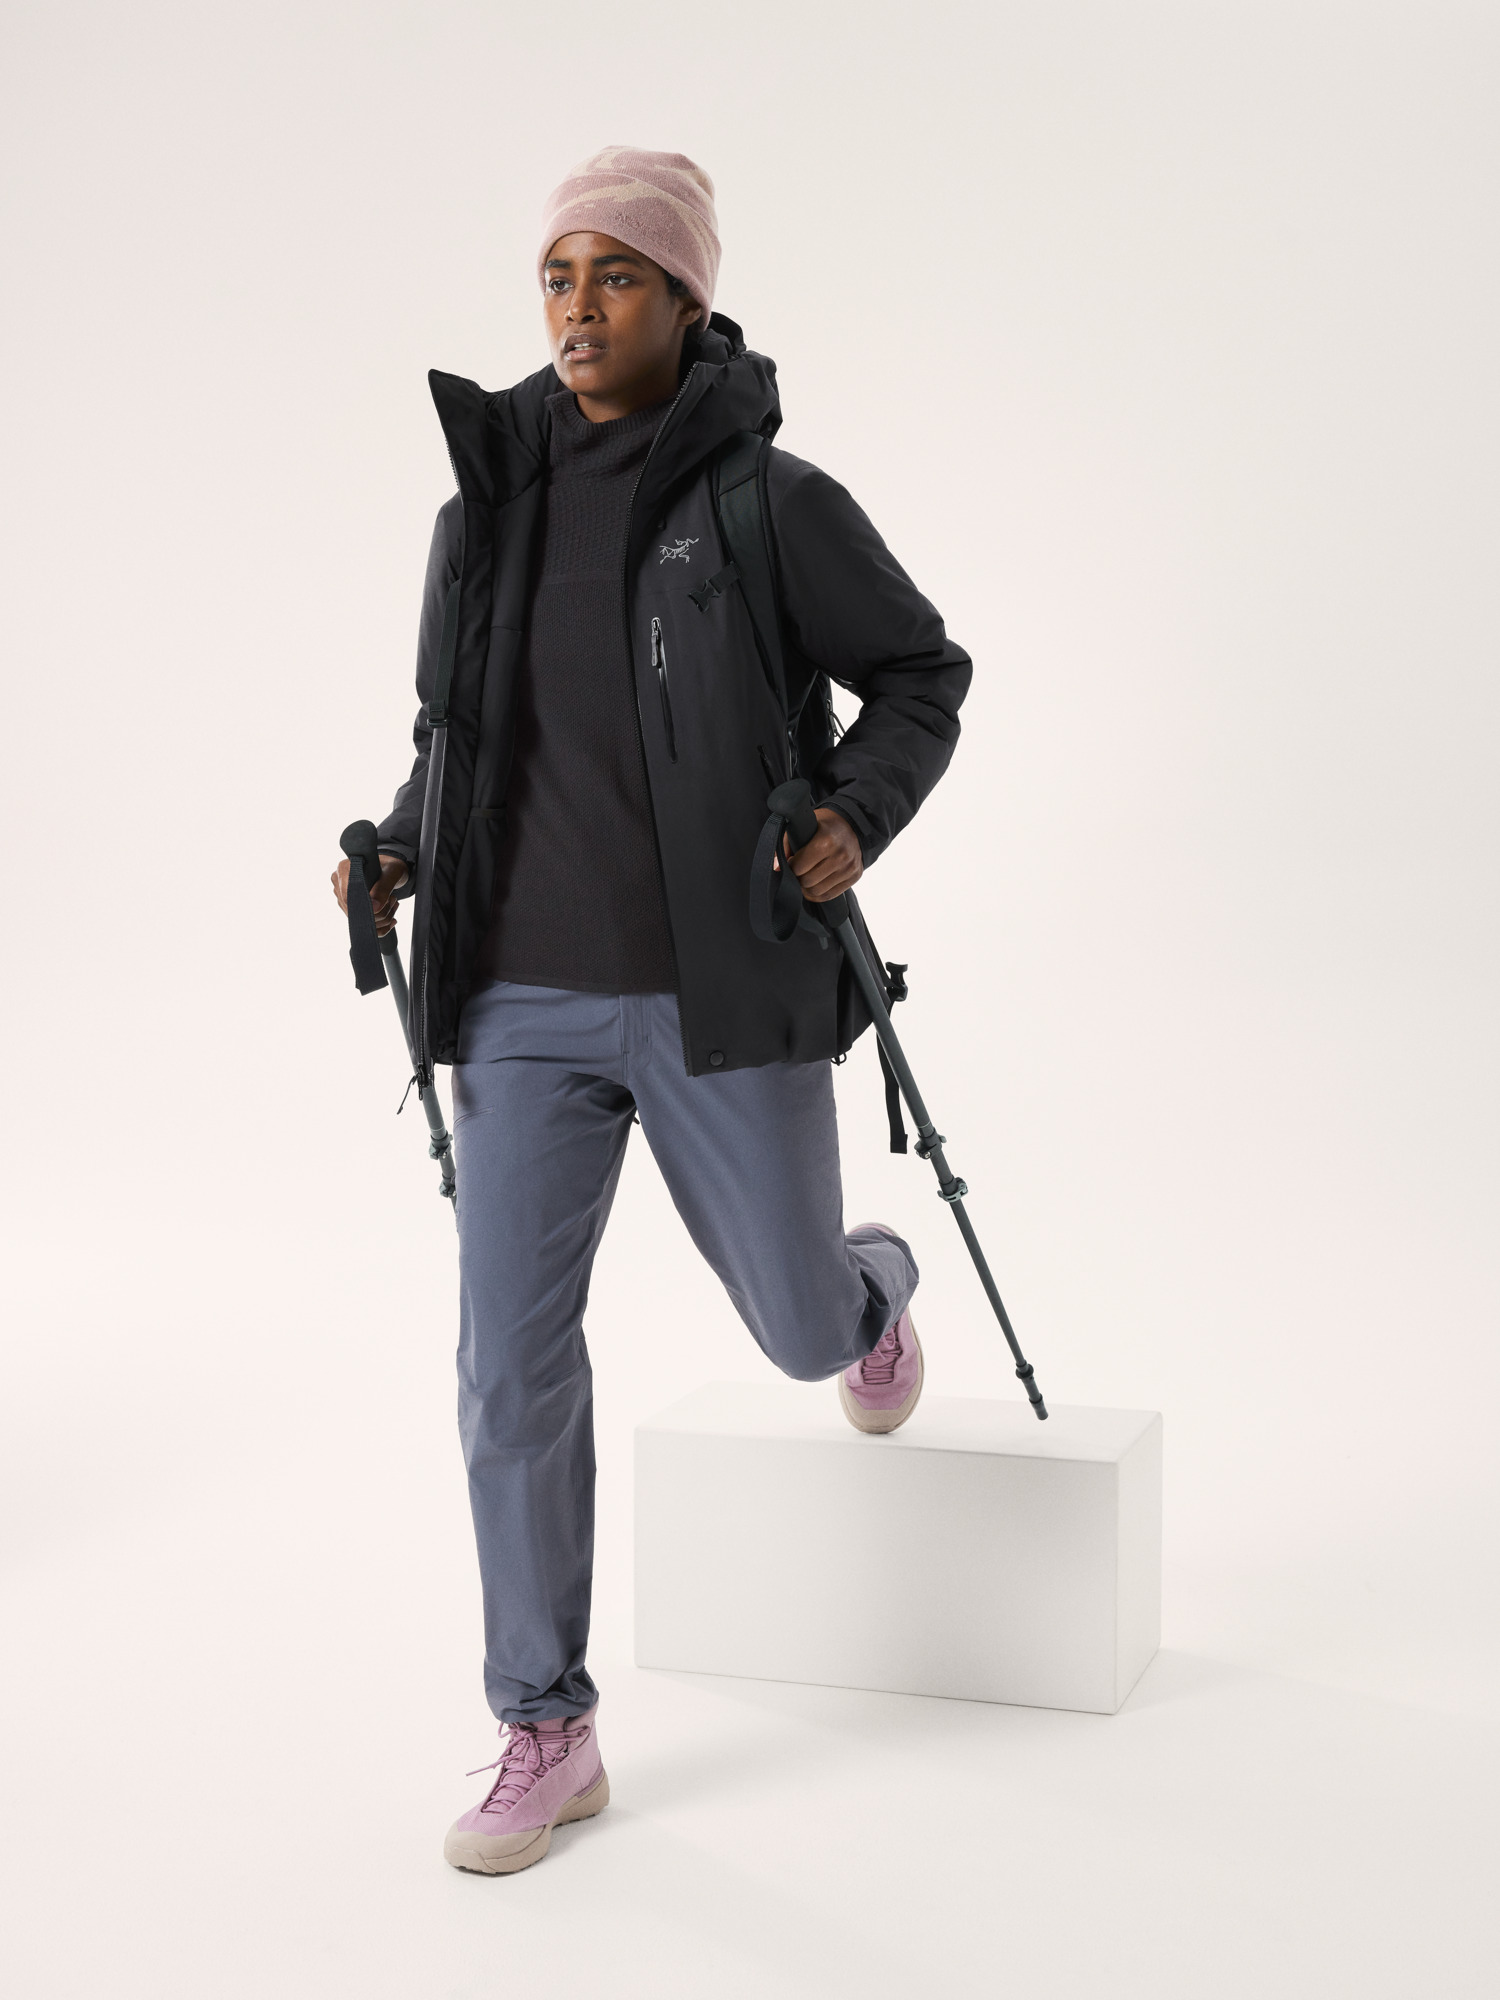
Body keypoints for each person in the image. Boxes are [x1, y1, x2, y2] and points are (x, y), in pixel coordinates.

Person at [330, 146, 971, 1875]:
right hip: (519, 1002)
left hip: (719, 995)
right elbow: (454, 744)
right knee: (506, 1371)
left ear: (688, 299)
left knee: (796, 1330)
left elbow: (923, 673)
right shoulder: (482, 517)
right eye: (558, 275)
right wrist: (396, 848)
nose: (579, 307)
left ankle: (870, 1292)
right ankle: (545, 1723)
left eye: (618, 275)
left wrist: (854, 815)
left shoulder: (771, 502)